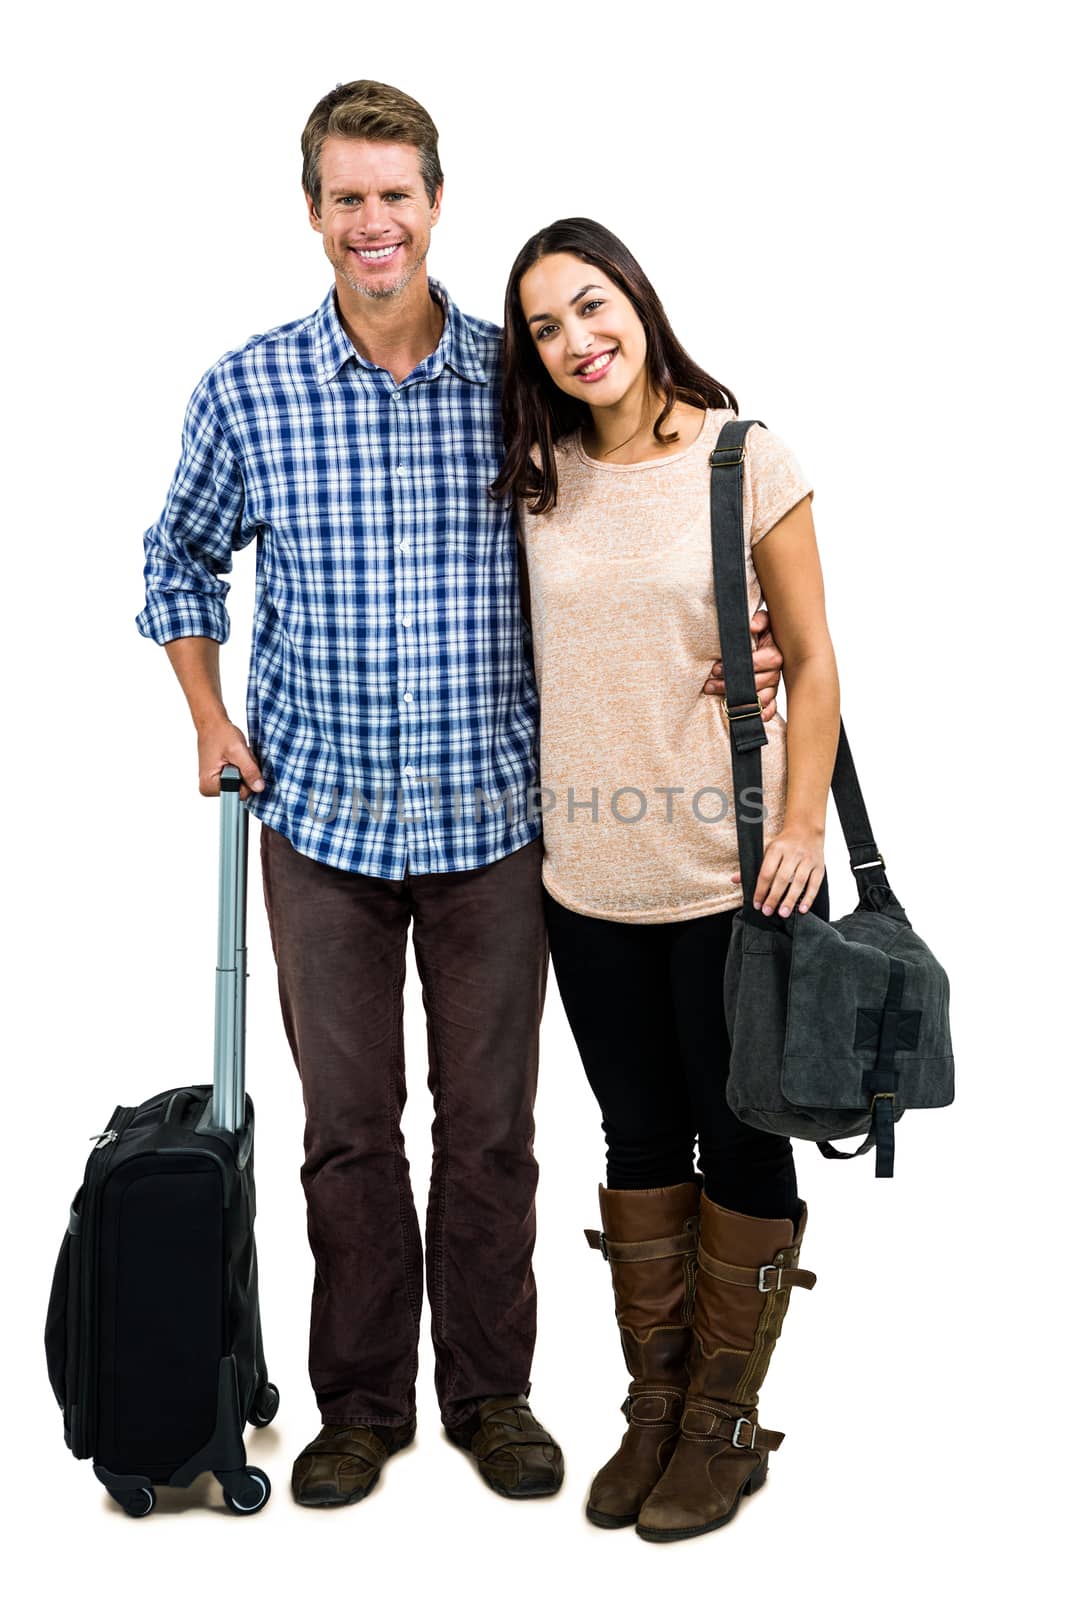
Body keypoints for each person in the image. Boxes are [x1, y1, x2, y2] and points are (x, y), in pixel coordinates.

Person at [135, 80, 782, 1512]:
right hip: (322, 827)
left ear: (437, 204)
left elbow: (641, 496)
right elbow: (174, 561)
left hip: (500, 827)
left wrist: (748, 621)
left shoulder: (516, 380)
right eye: (347, 196)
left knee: (491, 1133)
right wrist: (207, 715)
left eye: (397, 194)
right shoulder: (247, 388)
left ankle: (493, 1396)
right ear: (313, 213)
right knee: (349, 1135)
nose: (375, 220)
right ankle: (359, 1406)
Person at [492, 218, 841, 1542]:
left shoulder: (745, 460)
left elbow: (810, 662)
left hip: (729, 878)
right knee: (636, 1141)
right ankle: (657, 1399)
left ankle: (725, 1423)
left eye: (592, 307)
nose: (577, 342)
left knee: (741, 1138)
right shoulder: (540, 474)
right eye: (545, 327)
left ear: (636, 300)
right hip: (585, 880)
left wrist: (800, 828)